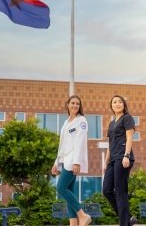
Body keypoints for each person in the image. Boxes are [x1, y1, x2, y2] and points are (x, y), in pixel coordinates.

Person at [52, 95, 92, 226]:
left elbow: (80, 142)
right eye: (73, 103)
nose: (75, 106)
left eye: (77, 104)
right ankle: (73, 223)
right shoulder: (66, 122)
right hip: (65, 160)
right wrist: (56, 162)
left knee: (61, 188)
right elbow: (62, 144)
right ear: (67, 104)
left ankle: (83, 215)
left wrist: (77, 161)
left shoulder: (82, 121)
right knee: (70, 191)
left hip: (73, 160)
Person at [102, 95, 138, 226]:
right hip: (113, 160)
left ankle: (124, 223)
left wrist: (126, 155)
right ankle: (128, 218)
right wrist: (106, 162)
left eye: (120, 102)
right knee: (106, 190)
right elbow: (110, 144)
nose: (117, 104)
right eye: (114, 102)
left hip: (123, 158)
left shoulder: (127, 118)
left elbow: (129, 138)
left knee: (120, 191)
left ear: (124, 105)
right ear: (111, 106)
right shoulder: (111, 123)